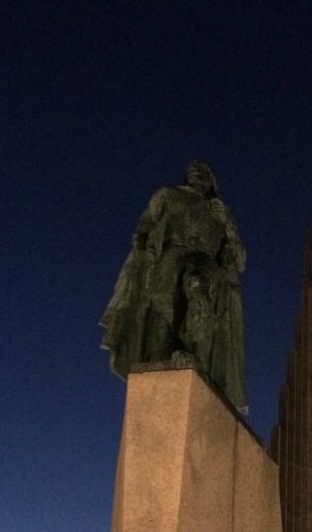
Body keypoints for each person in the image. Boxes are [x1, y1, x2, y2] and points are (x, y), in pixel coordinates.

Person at [100, 160, 247, 410]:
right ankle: (160, 355)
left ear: (211, 181)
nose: (194, 170)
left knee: (198, 288)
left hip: (202, 259)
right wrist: (144, 251)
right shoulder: (168, 196)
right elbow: (145, 227)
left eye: (202, 170)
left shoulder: (217, 211)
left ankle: (194, 353)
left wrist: (228, 226)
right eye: (192, 169)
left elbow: (238, 259)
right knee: (162, 308)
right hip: (170, 257)